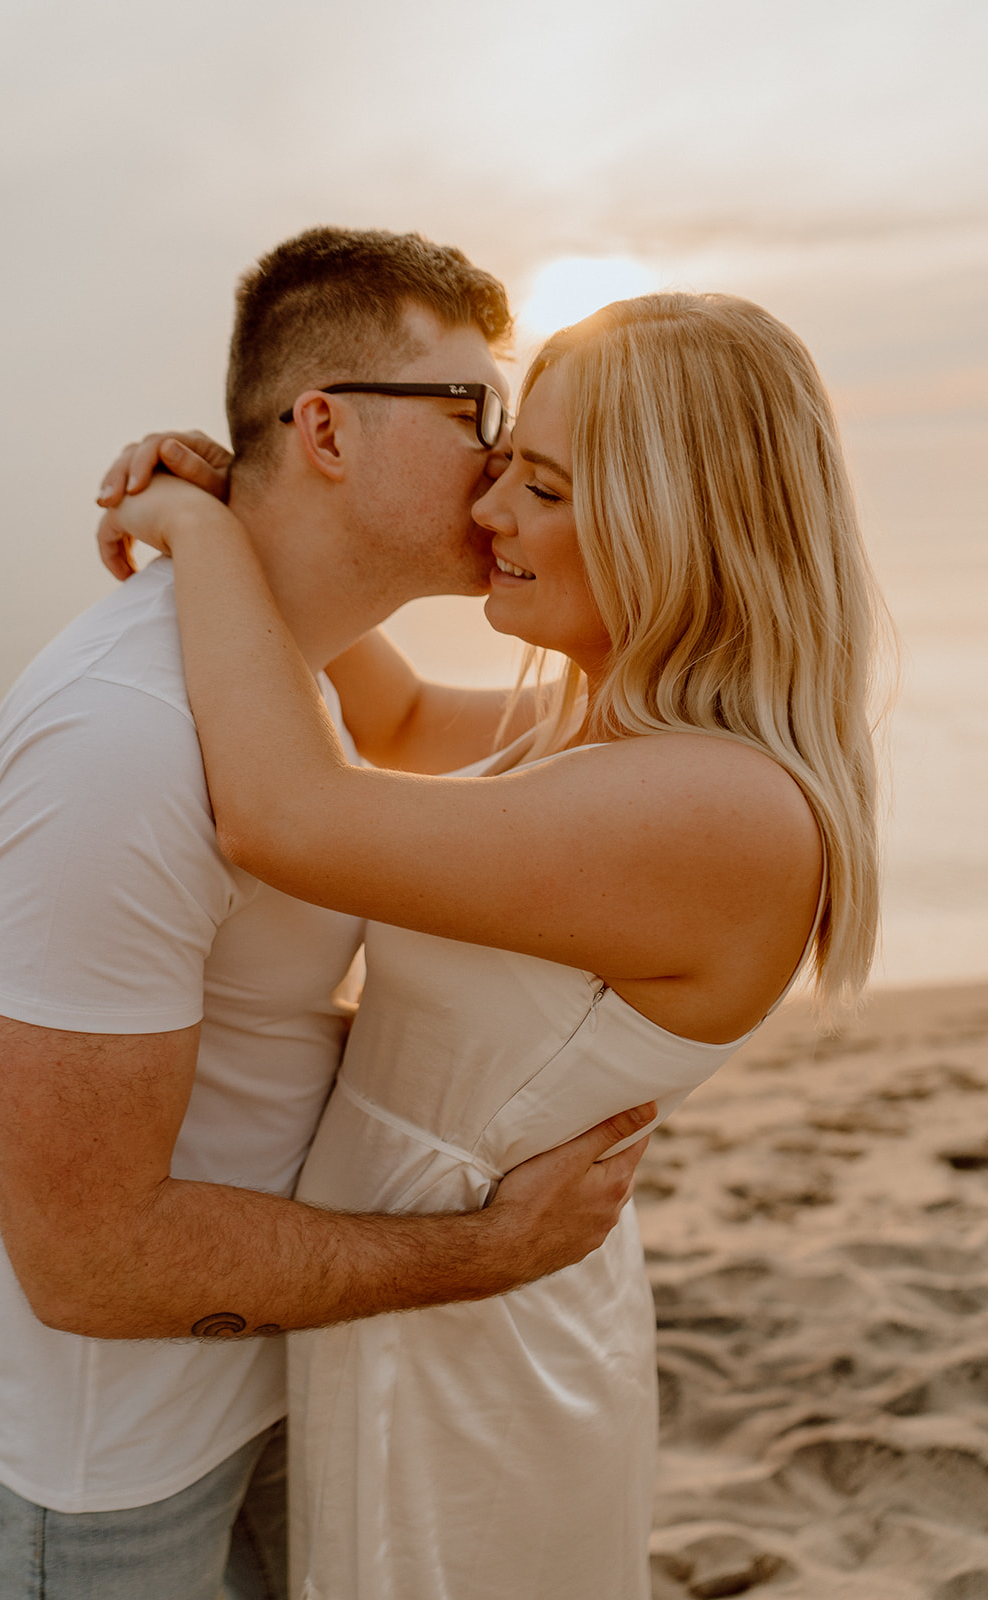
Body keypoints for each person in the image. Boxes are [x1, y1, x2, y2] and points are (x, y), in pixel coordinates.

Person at [97, 288, 883, 1600]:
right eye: (504, 464)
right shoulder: (605, 734)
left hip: (481, 1366)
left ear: (676, 519)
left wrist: (191, 529)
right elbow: (390, 715)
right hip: (427, 1303)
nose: (488, 513)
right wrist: (257, 503)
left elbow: (286, 816)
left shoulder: (723, 809)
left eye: (546, 489)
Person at [0, 228, 656, 1600]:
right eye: (473, 416)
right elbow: (84, 1262)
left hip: (270, 1368)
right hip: (112, 1454)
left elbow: (447, 730)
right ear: (323, 428)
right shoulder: (123, 747)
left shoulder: (278, 670)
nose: (500, 466)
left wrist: (716, 727)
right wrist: (489, 1253)